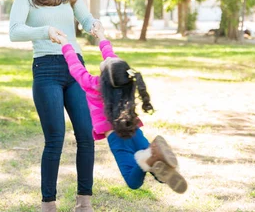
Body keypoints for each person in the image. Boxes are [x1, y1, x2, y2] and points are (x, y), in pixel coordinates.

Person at [9, 0, 107, 212]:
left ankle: (84, 208)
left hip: (75, 67)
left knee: (87, 136)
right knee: (55, 139)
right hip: (46, 69)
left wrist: (94, 25)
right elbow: (14, 31)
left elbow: (86, 18)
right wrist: (45, 31)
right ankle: (48, 210)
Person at [54, 26, 188, 194]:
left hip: (116, 137)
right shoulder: (122, 79)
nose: (108, 58)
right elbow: (109, 53)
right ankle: (157, 166)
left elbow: (75, 67)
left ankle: (146, 160)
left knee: (133, 181)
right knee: (151, 160)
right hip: (133, 129)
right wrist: (101, 36)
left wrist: (65, 44)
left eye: (108, 61)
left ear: (104, 75)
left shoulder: (94, 85)